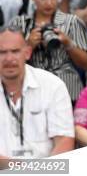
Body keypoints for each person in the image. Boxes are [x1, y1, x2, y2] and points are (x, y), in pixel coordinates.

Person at [8, 0, 87, 103]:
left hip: (68, 91)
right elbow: (8, 62)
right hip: (31, 92)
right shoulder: (19, 24)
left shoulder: (71, 22)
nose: (49, 3)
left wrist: (68, 44)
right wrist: (28, 46)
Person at [0, 27, 74, 158]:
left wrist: (39, 173)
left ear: (28, 52)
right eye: (2, 52)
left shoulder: (53, 85)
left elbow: (64, 140)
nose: (9, 58)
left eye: (15, 51)